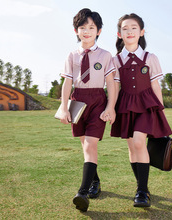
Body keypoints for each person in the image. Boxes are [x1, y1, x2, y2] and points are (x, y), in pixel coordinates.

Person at [110, 13, 172, 208]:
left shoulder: (150, 57)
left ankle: (142, 192)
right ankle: (142, 187)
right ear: (119, 34)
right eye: (125, 28)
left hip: (147, 105)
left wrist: (160, 110)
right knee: (132, 146)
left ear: (142, 32)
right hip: (125, 106)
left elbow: (155, 85)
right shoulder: (115, 61)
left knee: (139, 142)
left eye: (134, 28)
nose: (129, 31)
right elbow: (115, 88)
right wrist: (111, 109)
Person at [60, 8, 116, 212]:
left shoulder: (106, 55)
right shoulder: (72, 55)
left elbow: (111, 83)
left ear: (98, 31)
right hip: (78, 100)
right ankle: (95, 182)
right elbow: (67, 82)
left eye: (91, 27)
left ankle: (82, 192)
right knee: (86, 146)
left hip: (98, 100)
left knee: (91, 143)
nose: (87, 31)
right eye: (83, 27)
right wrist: (64, 107)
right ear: (76, 30)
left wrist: (110, 107)